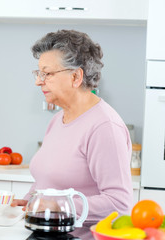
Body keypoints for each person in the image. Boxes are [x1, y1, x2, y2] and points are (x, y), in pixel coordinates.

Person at [11, 30, 133, 221]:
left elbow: (119, 203)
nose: (37, 81)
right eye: (38, 73)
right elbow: (47, 182)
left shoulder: (104, 127)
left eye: (47, 73)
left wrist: (57, 205)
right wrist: (29, 201)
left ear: (76, 77)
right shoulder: (58, 119)